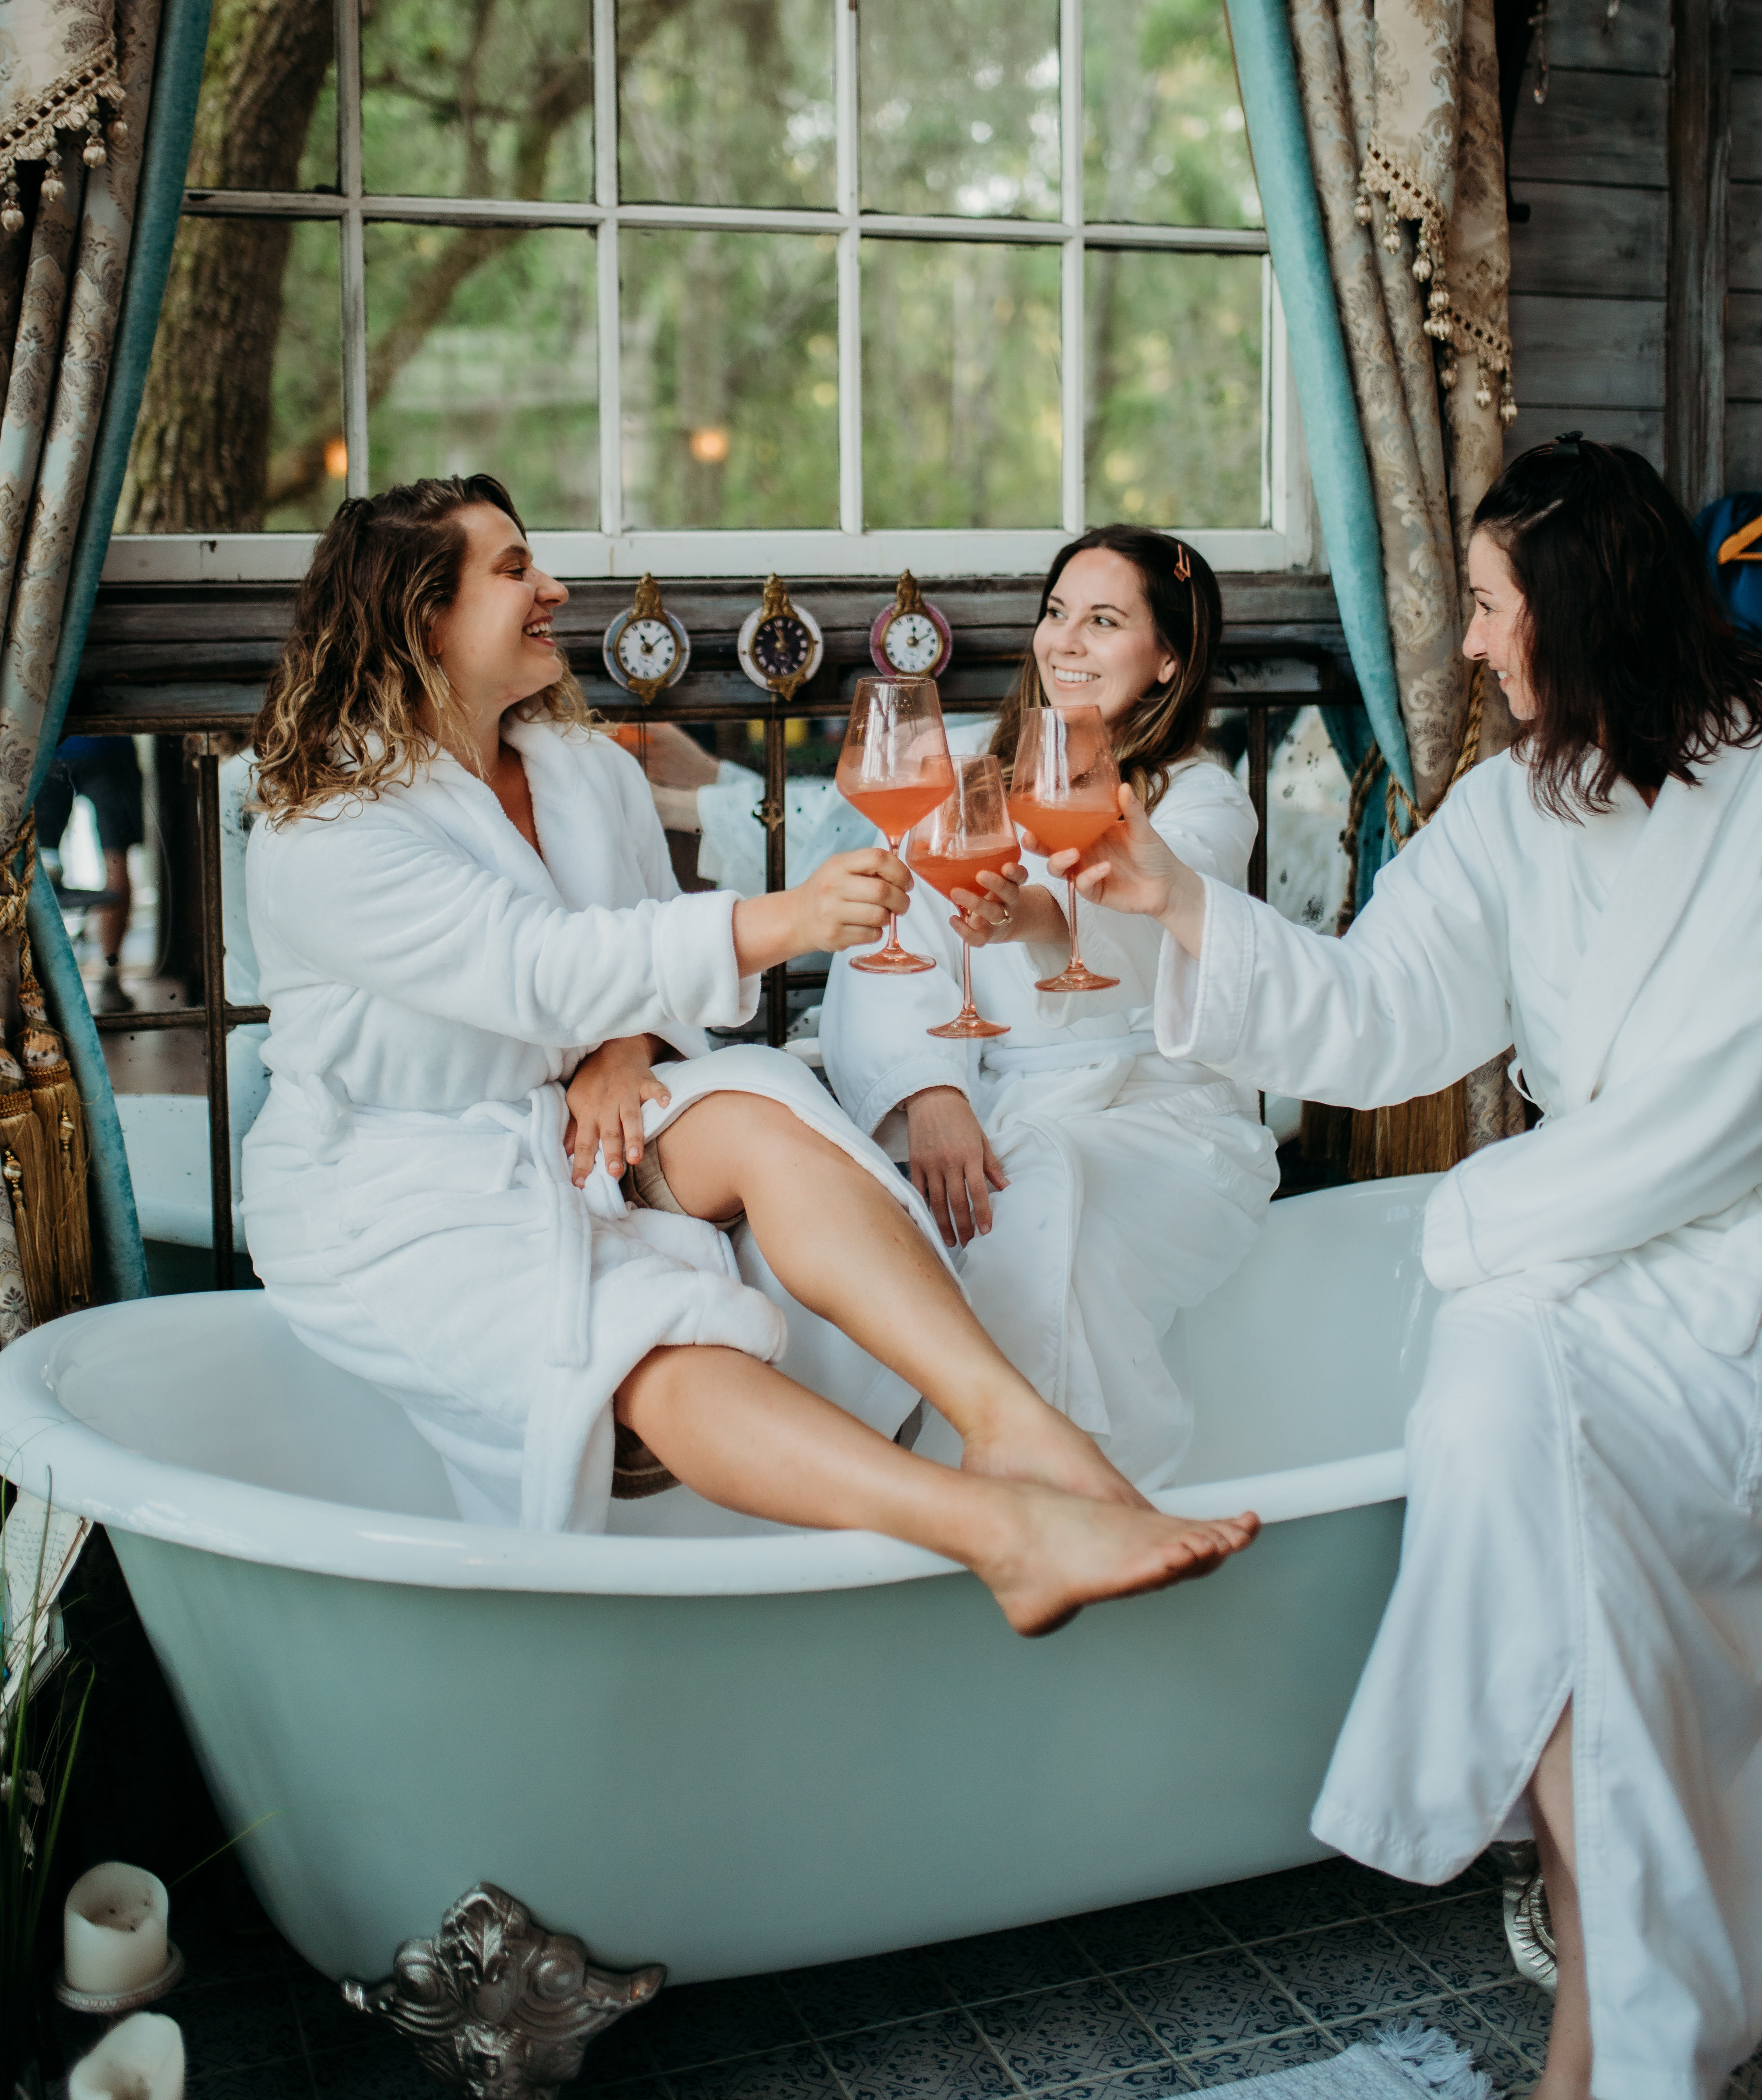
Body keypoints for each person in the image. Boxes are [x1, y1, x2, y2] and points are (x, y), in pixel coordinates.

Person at [239, 476, 1259, 1638]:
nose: (556, 589)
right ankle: (1002, 1533)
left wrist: (625, 1049)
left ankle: (1014, 1425)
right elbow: (535, 962)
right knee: (647, 1340)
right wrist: (789, 924)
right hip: (394, 1181)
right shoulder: (330, 832)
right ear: (421, 616)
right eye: (518, 569)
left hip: (575, 1124)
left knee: (767, 1102)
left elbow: (632, 937)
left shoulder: (585, 772)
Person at [1048, 441, 1762, 2096]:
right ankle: (1630, 2038)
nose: (1463, 641)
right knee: (1480, 1428)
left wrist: (1466, 1221)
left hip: (1720, 1263)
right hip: (1557, 1263)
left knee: (1548, 1525)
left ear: (1577, 614)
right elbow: (1370, 1012)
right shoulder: (1511, 807)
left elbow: (1726, 1117)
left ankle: (1610, 2039)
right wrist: (1163, 895)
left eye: (1491, 605)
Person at [821, 527, 1278, 1489]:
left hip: (1163, 1119)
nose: (1063, 641)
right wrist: (926, 1094)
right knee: (857, 1239)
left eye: (1103, 622)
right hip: (990, 1105)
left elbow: (1164, 924)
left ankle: (1071, 1495)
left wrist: (1033, 915)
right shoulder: (961, 773)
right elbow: (887, 944)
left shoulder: (1199, 800)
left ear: (1167, 660)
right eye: (1056, 613)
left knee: (1040, 1217)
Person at [36, 734, 143, 1012]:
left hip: (53, 742)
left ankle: (39, 981)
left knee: (41, 864)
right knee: (116, 860)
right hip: (109, 745)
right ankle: (110, 977)